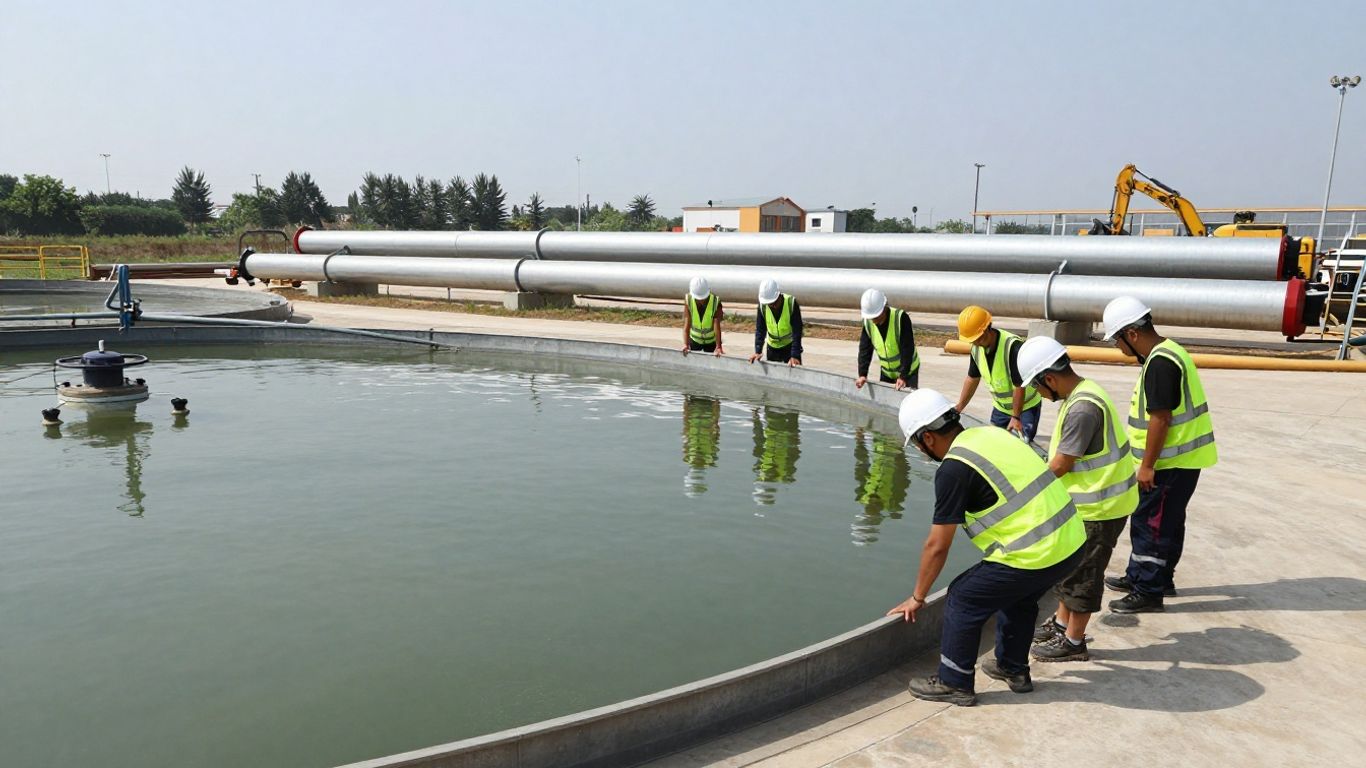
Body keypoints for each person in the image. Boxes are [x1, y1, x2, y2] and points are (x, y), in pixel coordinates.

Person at [888, 389, 1084, 705]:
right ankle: (1013, 669)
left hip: (1037, 551)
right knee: (1019, 597)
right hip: (1071, 543)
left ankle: (954, 681)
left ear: (927, 438)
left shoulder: (954, 468)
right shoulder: (991, 435)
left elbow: (937, 545)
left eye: (919, 445)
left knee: (963, 597)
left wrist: (918, 596)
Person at [1016, 337, 1138, 661]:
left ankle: (1073, 641)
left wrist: (1023, 489)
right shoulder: (1081, 393)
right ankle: (1061, 623)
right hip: (1089, 505)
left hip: (1100, 508)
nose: (1038, 395)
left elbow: (1061, 465)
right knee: (1070, 569)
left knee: (1084, 574)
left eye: (1036, 387)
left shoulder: (1082, 408)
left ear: (1049, 379)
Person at [1101, 296, 1217, 614]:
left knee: (1149, 525)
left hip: (1167, 464)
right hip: (1181, 462)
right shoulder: (1169, 352)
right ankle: (1152, 577)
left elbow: (1160, 418)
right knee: (1167, 523)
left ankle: (1148, 591)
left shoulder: (1161, 362)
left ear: (1132, 334)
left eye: (1117, 340)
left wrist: (1147, 466)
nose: (1117, 347)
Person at [953, 306, 1042, 442]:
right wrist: (959, 407)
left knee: (1020, 445)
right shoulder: (976, 349)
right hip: (1001, 408)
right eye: (972, 340)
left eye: (978, 338)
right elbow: (972, 378)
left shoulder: (1012, 347)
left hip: (1026, 407)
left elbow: (1019, 385)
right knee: (995, 444)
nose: (975, 342)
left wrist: (1016, 417)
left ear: (988, 328)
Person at [855, 288, 920, 391]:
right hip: (887, 372)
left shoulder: (900, 318)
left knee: (908, 403)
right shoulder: (868, 323)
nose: (873, 320)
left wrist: (903, 376)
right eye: (871, 317)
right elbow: (865, 349)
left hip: (908, 372)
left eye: (876, 316)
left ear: (884, 308)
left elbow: (907, 349)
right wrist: (862, 374)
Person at [748, 279, 802, 367]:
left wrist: (795, 355)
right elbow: (760, 330)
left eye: (774, 302)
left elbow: (797, 331)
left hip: (789, 347)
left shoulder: (791, 303)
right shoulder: (763, 307)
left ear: (779, 295)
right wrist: (758, 351)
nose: (773, 306)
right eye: (769, 304)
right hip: (772, 349)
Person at [681, 276, 724, 356]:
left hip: (711, 342)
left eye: (703, 298)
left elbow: (716, 326)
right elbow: (687, 325)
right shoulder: (689, 300)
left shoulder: (715, 301)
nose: (701, 300)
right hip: (694, 340)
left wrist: (718, 346)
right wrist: (686, 344)